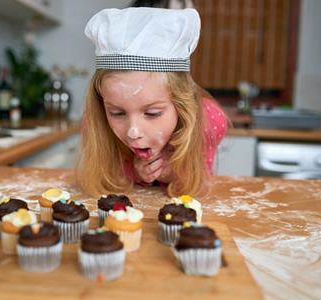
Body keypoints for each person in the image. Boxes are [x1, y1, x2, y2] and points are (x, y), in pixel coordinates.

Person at [76, 7, 227, 197]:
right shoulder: (95, 121)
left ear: (182, 105)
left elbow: (199, 185)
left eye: (152, 113)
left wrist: (174, 174)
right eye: (117, 113)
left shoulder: (209, 121)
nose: (133, 132)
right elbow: (105, 176)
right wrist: (134, 171)